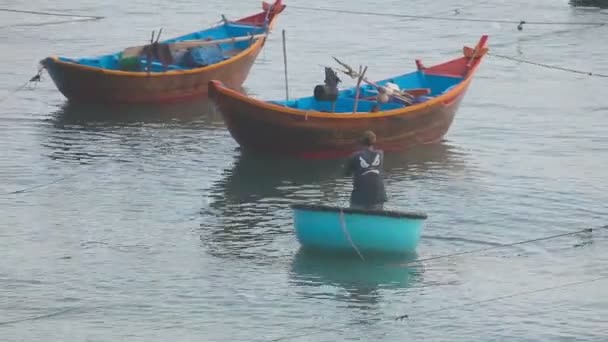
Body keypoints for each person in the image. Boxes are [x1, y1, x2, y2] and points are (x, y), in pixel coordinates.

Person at [344, 130, 388, 210]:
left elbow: (347, 173)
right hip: (378, 197)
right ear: (374, 141)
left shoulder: (354, 156)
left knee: (356, 219)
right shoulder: (381, 154)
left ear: (361, 142)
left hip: (359, 198)